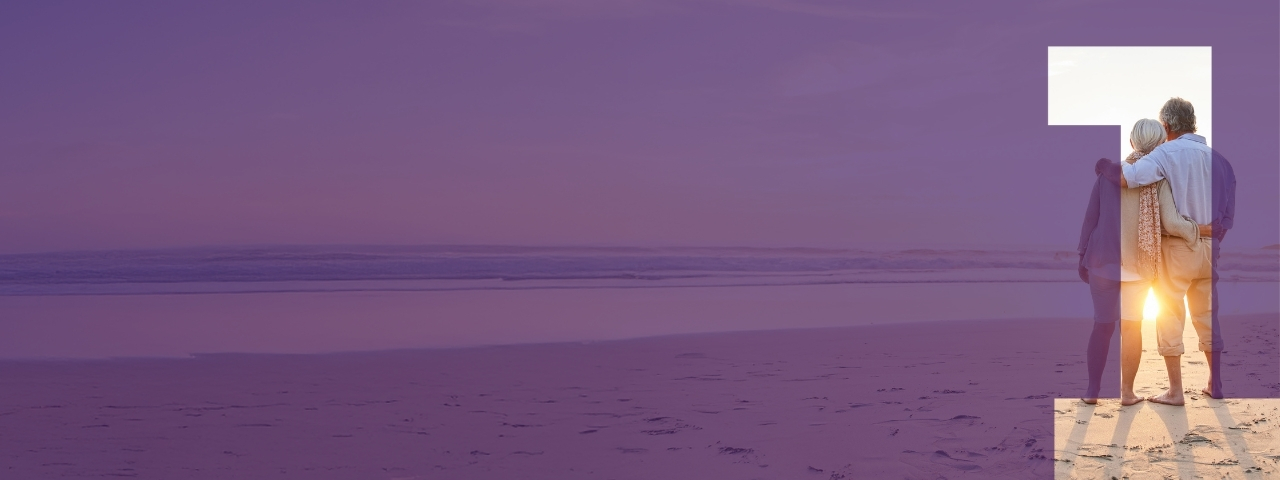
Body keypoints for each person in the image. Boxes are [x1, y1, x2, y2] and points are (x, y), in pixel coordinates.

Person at [1078, 118, 1204, 406]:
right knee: (1131, 328)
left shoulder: (1108, 175)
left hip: (1101, 263)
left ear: (1132, 142)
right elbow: (1171, 222)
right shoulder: (1159, 178)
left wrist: (1081, 256)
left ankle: (1092, 391)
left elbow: (1090, 219)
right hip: (1139, 267)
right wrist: (1198, 230)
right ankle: (1126, 393)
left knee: (1101, 325)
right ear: (1161, 144)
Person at [1113, 97, 1230, 405]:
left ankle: (1176, 391)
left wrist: (1108, 167)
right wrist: (1212, 233)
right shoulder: (1219, 159)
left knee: (1170, 315)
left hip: (1177, 247)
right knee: (1207, 316)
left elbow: (1129, 178)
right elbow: (1228, 210)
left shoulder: (1165, 153)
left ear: (1166, 126)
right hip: (1210, 247)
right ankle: (1214, 384)